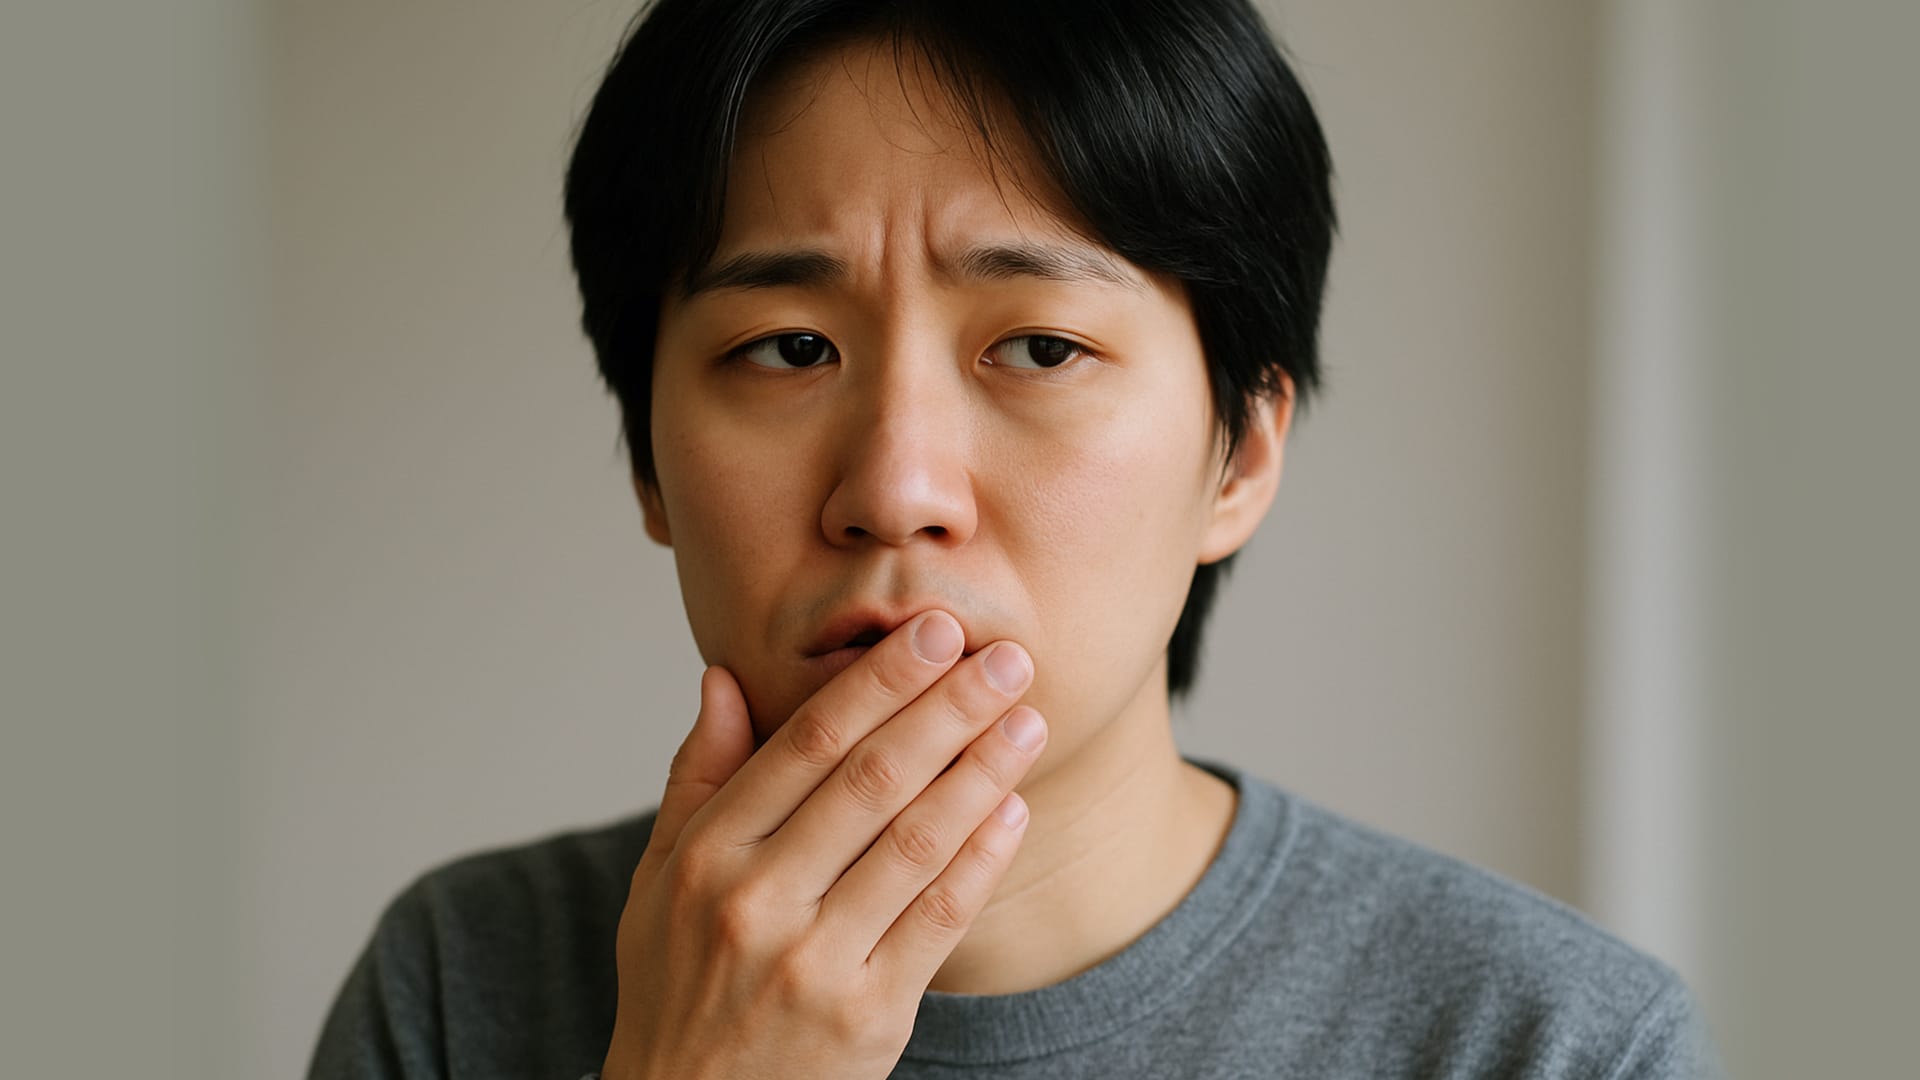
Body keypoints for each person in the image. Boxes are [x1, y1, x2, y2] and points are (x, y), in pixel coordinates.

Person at [310, 1, 1723, 1076]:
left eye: (1040, 347)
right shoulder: (464, 986)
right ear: (648, 460)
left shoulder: (1547, 1043)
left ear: (1241, 453)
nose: (896, 488)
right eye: (789, 347)